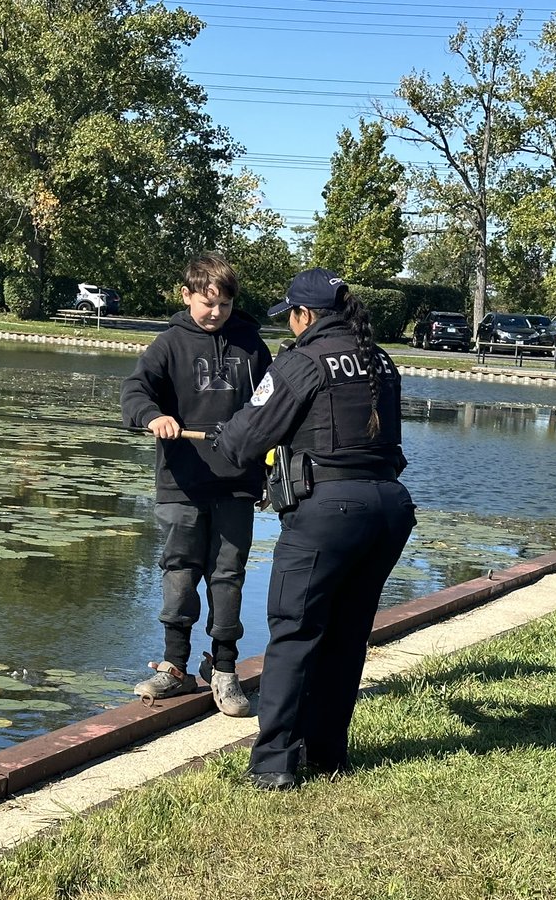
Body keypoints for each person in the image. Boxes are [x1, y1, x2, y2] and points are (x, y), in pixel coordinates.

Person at [213, 267, 416, 789]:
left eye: (292, 318)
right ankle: (328, 755)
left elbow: (241, 441)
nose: (292, 328)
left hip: (329, 511)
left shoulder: (302, 361)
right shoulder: (380, 358)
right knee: (346, 636)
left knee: (295, 633)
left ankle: (274, 767)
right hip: (389, 509)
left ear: (305, 315)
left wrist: (224, 433)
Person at [120, 251, 274, 717]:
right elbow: (134, 393)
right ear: (186, 296)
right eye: (207, 303)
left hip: (236, 485)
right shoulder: (167, 345)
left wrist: (266, 467)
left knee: (227, 576)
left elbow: (273, 409)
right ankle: (174, 667)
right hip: (180, 485)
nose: (215, 313)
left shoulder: (252, 347)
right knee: (180, 574)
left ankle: (224, 669)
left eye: (224, 304)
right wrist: (154, 416)